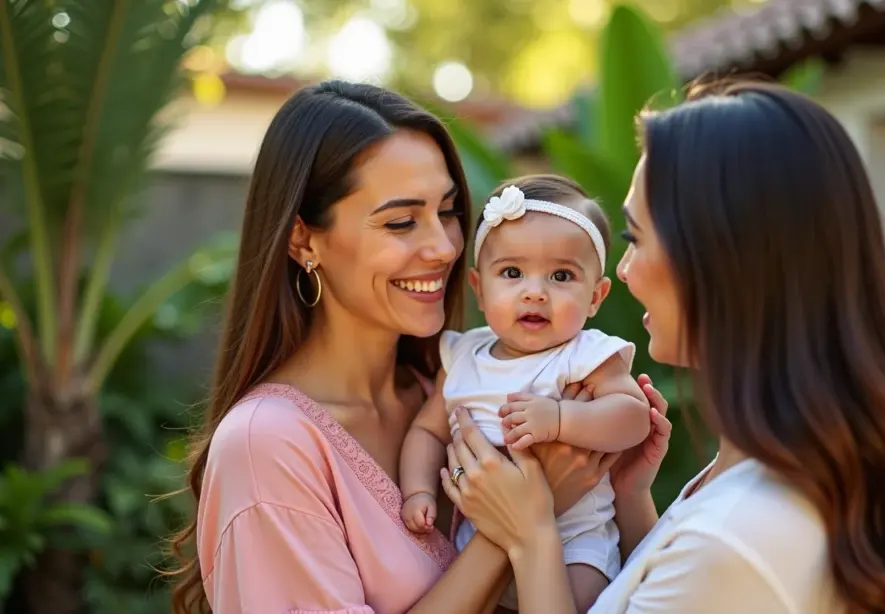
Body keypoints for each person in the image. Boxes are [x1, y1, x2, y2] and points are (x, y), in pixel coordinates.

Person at [438, 79, 885, 613]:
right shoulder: (746, 476)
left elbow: (706, 565)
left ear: (722, 260)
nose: (622, 272)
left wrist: (531, 533)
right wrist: (629, 498)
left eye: (635, 239)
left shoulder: (739, 537)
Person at [164, 80, 665, 614]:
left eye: (448, 212)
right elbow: (527, 527)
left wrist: (629, 494)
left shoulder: (447, 387)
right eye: (402, 221)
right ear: (303, 240)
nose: (444, 246)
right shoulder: (267, 446)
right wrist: (521, 522)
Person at [399, 175, 650, 611]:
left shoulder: (585, 354)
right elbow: (428, 431)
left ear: (596, 296)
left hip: (575, 537)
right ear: (479, 288)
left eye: (561, 275)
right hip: (479, 536)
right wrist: (417, 489)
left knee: (579, 598)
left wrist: (559, 420)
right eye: (512, 273)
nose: (535, 291)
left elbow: (632, 415)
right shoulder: (463, 355)